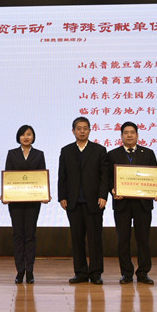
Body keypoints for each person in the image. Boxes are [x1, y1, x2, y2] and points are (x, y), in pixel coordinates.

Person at [106, 121, 157, 285]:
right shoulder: (112, 154)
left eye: (132, 132)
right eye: (126, 133)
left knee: (143, 239)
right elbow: (108, 178)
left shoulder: (148, 153)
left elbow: (154, 176)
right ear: (121, 136)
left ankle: (143, 273)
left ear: (137, 135)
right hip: (122, 204)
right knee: (123, 240)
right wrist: (112, 189)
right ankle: (126, 273)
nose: (129, 135)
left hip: (143, 204)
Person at [57, 116, 109, 285]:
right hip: (73, 202)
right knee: (77, 239)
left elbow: (104, 176)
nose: (82, 131)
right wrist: (62, 197)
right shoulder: (66, 151)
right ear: (73, 131)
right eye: (78, 128)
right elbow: (62, 176)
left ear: (90, 130)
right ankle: (80, 272)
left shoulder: (99, 150)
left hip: (94, 202)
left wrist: (103, 195)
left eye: (85, 128)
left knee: (95, 239)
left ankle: (96, 273)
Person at [4, 125, 47, 284]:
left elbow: (42, 176)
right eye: (23, 135)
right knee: (18, 235)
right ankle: (19, 270)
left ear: (33, 136)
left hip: (33, 201)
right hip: (15, 201)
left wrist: (44, 193)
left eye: (29, 134)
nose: (26, 137)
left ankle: (29, 270)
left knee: (30, 235)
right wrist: (5, 193)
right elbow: (8, 175)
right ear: (18, 137)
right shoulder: (12, 153)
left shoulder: (39, 154)